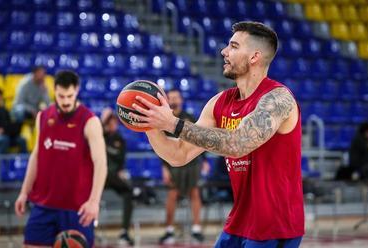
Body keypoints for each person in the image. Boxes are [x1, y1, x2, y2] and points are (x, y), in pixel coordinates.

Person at [130, 21, 304, 247]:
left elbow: (238, 144)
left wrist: (173, 124)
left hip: (275, 227)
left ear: (254, 57)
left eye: (233, 46)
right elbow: (178, 155)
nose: (224, 51)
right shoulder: (219, 103)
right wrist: (150, 123)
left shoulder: (278, 99)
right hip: (239, 223)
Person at [14, 70, 107, 248]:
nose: (65, 101)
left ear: (77, 91)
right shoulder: (42, 117)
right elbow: (36, 156)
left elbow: (101, 164)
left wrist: (94, 201)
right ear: (54, 91)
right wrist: (24, 192)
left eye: (69, 96)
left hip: (77, 208)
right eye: (61, 96)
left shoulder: (90, 121)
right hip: (44, 204)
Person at [158, 89, 205, 245]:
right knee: (172, 194)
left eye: (176, 97)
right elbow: (160, 146)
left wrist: (204, 161)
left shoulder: (189, 118)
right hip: (172, 165)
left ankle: (197, 230)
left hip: (192, 163)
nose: (173, 100)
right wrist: (164, 168)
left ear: (181, 100)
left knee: (195, 193)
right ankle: (169, 230)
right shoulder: (163, 121)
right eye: (170, 97)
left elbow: (200, 139)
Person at [101, 108, 134, 246]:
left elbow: (121, 162)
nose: (113, 125)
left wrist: (121, 171)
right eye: (110, 123)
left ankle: (124, 232)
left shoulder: (120, 140)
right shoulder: (100, 136)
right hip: (99, 177)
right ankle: (87, 228)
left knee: (128, 192)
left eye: (115, 123)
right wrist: (103, 122)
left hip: (113, 176)